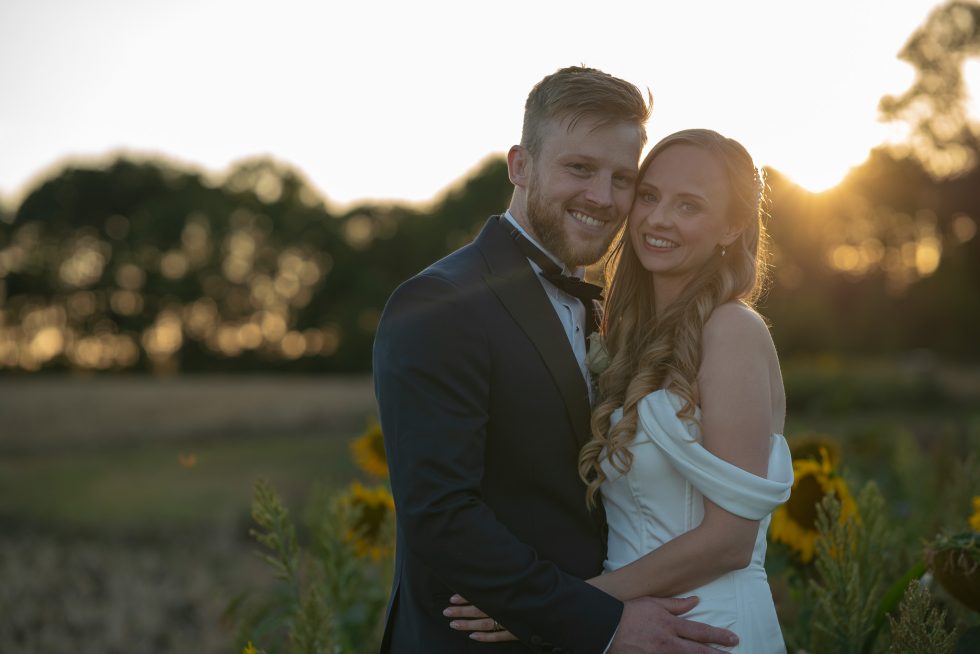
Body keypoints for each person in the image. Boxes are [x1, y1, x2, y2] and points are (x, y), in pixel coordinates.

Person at [373, 68, 741, 653]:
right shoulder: (440, 303)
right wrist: (603, 621)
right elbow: (441, 516)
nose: (602, 196)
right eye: (579, 168)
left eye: (623, 178)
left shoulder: (606, 313)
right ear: (520, 165)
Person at [447, 129, 793, 652]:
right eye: (649, 196)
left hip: (708, 630)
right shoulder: (627, 337)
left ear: (733, 225)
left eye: (689, 206)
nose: (658, 219)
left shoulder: (732, 331)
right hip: (633, 628)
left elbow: (730, 541)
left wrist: (555, 606)